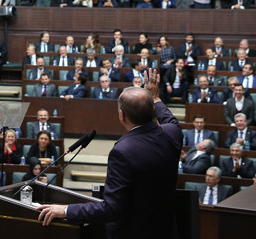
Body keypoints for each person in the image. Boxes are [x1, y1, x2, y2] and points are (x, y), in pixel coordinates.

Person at [38, 68, 182, 239]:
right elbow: (169, 119)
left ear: (122, 116)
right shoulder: (172, 133)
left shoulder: (123, 151)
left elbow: (112, 209)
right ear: (153, 110)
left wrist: (66, 210)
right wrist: (156, 97)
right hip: (166, 230)